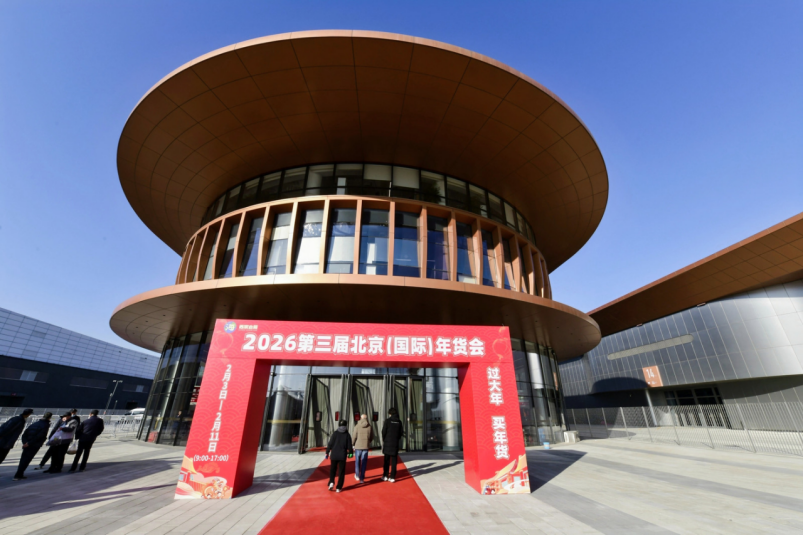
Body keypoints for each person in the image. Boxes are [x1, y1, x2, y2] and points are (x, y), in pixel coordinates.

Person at [13, 412, 52, 481]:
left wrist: (25, 442)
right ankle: (18, 475)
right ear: (49, 418)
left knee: (23, 459)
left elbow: (25, 434)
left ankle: (19, 473)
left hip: (27, 444)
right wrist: (29, 443)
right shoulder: (45, 425)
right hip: (34, 445)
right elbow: (40, 436)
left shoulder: (35, 423)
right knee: (27, 460)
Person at [325, 419, 353, 493]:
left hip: (334, 455)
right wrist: (350, 453)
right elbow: (349, 446)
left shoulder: (335, 433)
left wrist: (327, 452)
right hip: (342, 456)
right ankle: (339, 487)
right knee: (341, 472)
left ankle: (331, 482)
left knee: (332, 470)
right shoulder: (347, 435)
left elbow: (330, 443)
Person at [381, 408, 403, 483]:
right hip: (395, 443)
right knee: (394, 461)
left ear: (390, 414)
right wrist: (397, 439)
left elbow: (383, 431)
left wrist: (384, 439)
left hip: (387, 443)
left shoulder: (387, 421)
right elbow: (401, 433)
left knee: (386, 460)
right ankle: (392, 477)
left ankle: (385, 475)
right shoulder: (399, 422)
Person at [352, 414, 373, 484]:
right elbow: (371, 436)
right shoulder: (369, 426)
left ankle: (357, 475)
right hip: (365, 446)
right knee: (364, 462)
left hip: (358, 446)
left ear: (361, 418)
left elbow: (354, 436)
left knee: (357, 461)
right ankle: (362, 478)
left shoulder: (357, 426)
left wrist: (352, 444)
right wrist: (368, 442)